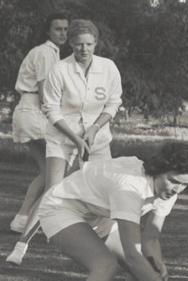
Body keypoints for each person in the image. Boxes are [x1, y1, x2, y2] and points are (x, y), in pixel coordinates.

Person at [7, 19, 123, 265]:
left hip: (97, 139)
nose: (84, 49)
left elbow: (113, 103)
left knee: (105, 190)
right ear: (70, 43)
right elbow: (51, 109)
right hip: (62, 138)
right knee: (54, 190)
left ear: (96, 43)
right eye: (79, 44)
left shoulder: (109, 67)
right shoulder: (60, 69)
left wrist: (93, 130)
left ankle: (103, 243)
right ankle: (20, 246)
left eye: (89, 44)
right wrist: (76, 139)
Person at [38, 141, 188, 281]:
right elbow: (133, 256)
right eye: (174, 181)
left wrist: (156, 261)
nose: (177, 189)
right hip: (60, 207)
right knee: (104, 264)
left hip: (97, 214)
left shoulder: (168, 191)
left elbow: (151, 237)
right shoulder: (129, 186)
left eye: (185, 184)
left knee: (147, 270)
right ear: (158, 170)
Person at [9, 13, 69, 233]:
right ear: (48, 31)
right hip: (34, 111)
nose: (62, 33)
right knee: (60, 167)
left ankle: (23, 219)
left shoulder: (51, 53)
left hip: (29, 111)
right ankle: (43, 219)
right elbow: (45, 95)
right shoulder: (45, 53)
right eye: (58, 29)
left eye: (65, 29)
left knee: (48, 171)